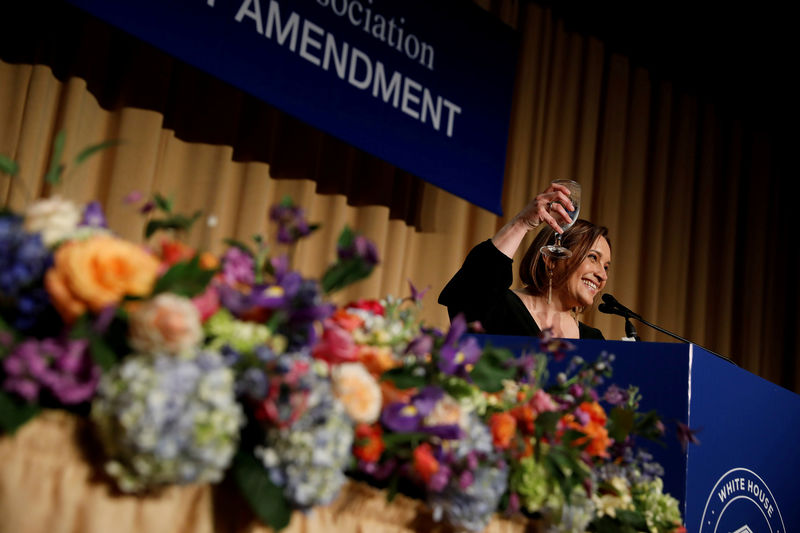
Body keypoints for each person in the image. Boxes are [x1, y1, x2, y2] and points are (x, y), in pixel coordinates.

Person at [438, 182, 611, 339]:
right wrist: (522, 223)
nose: (602, 275)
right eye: (593, 257)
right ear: (551, 259)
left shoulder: (593, 339)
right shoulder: (502, 308)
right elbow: (465, 297)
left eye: (606, 267)